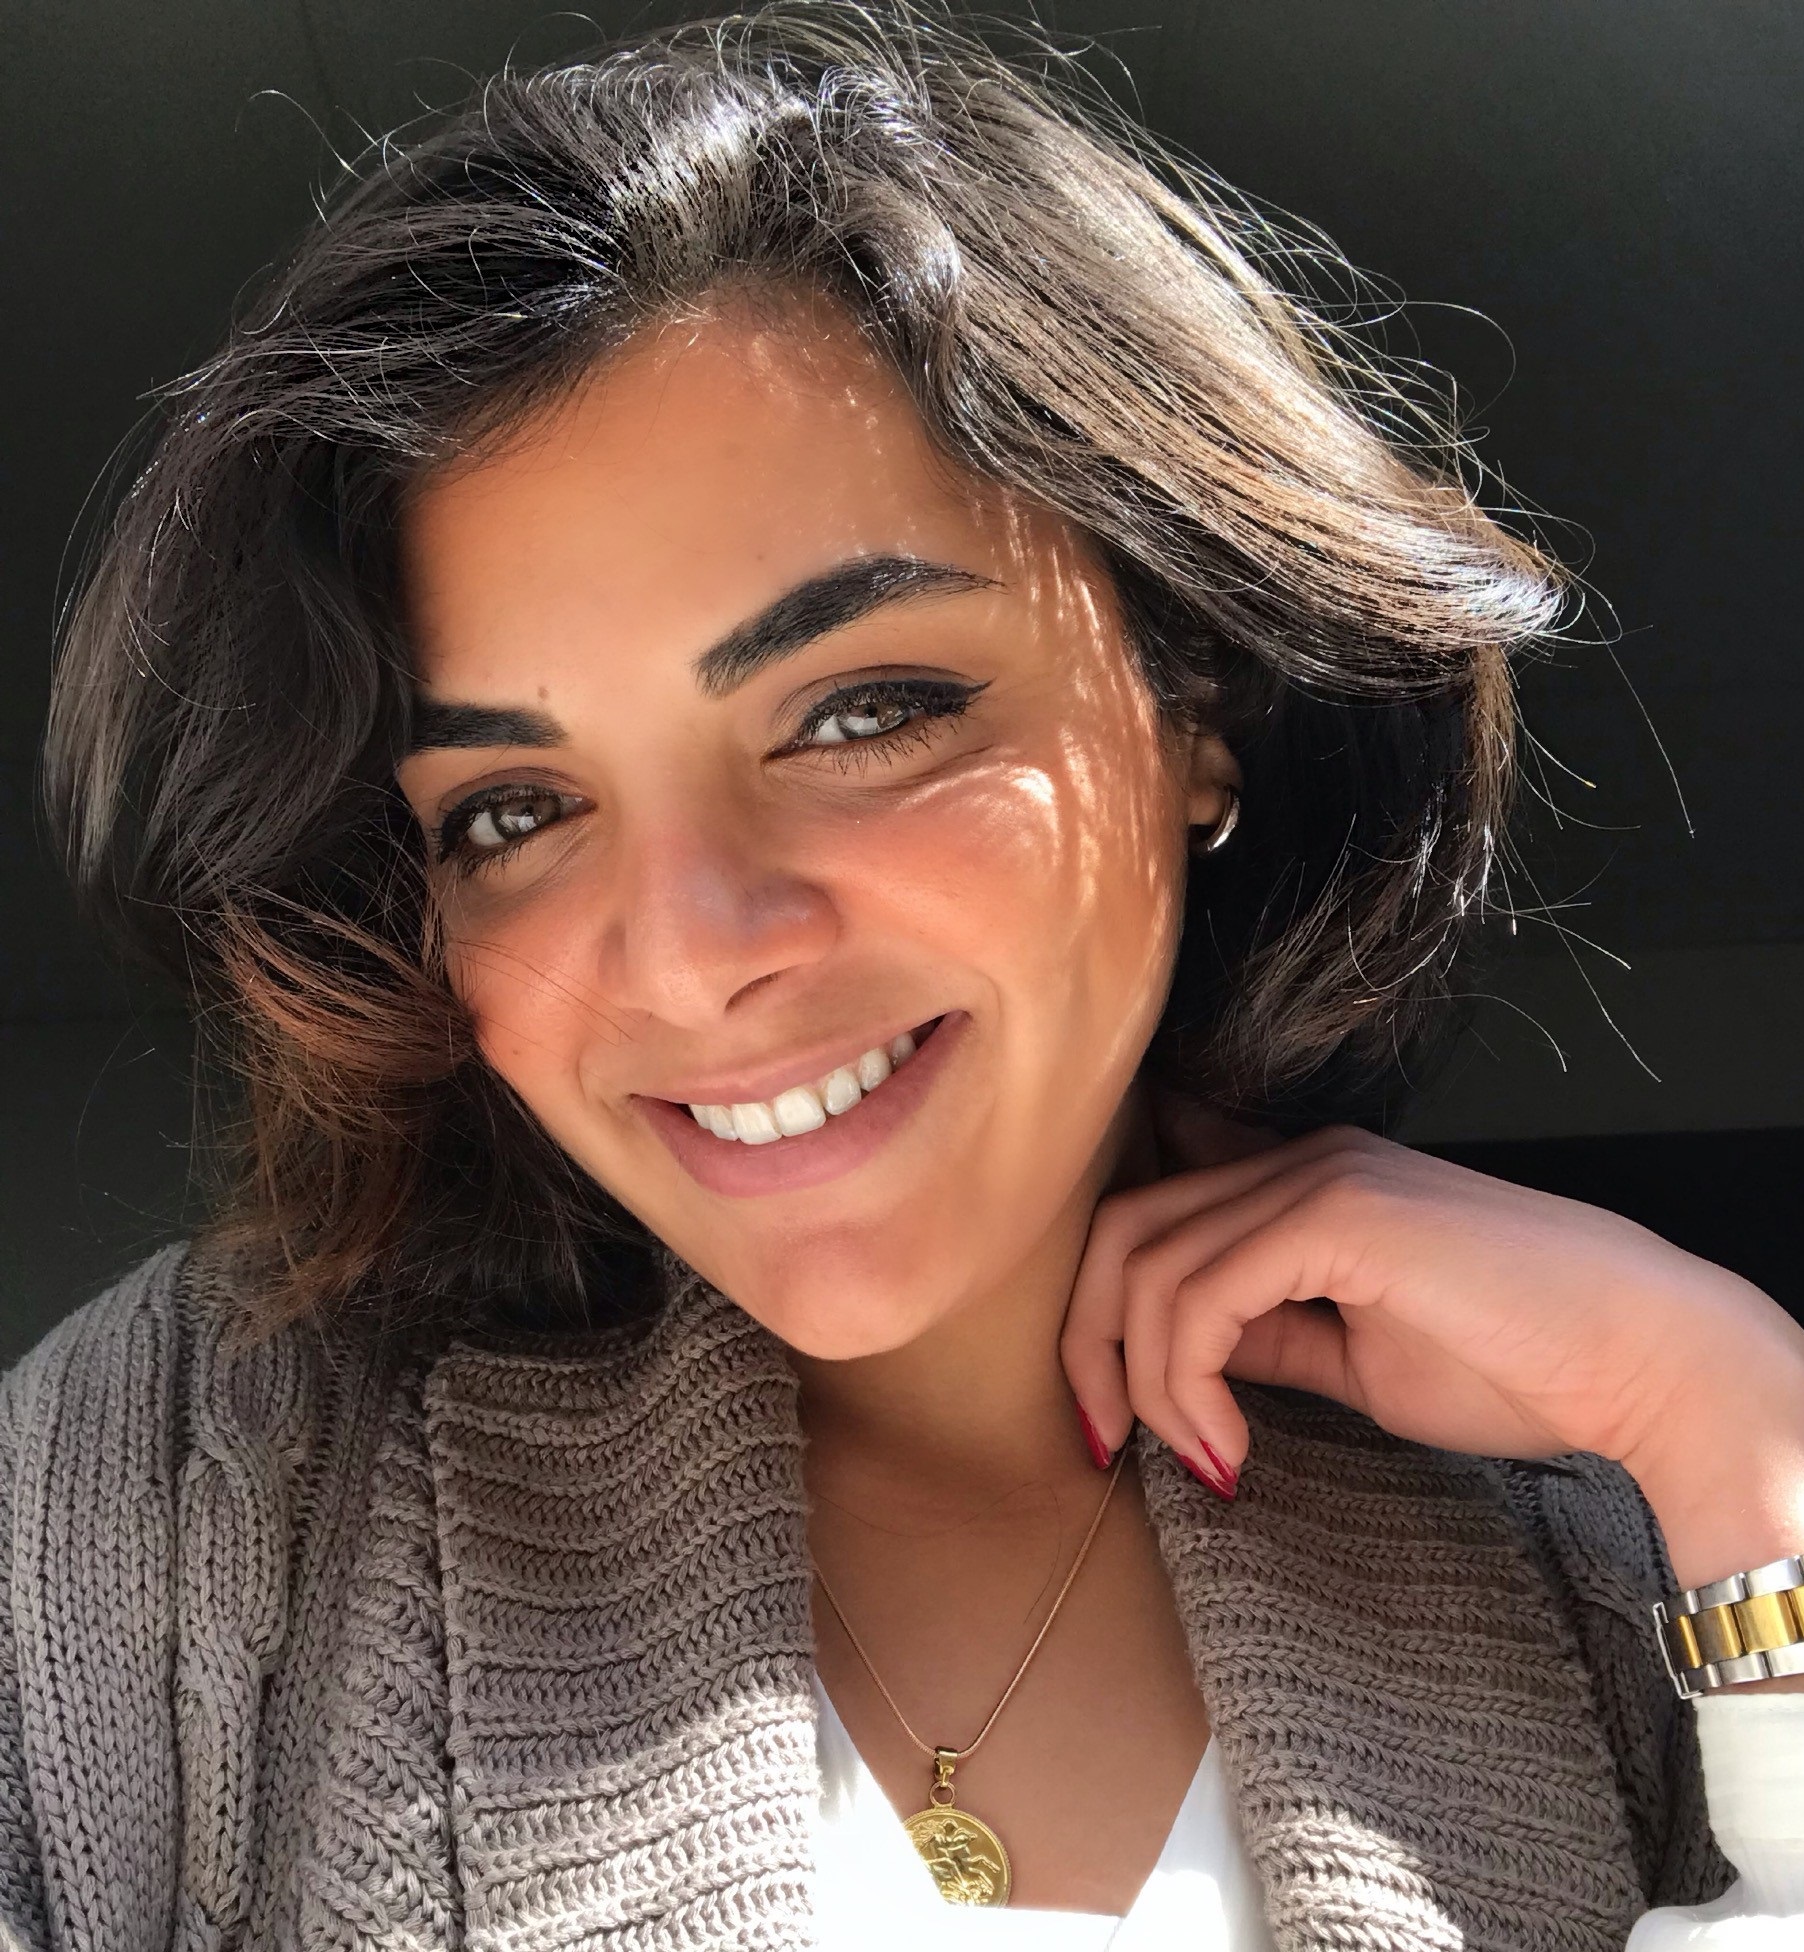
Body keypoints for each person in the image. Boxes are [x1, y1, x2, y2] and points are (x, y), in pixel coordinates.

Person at [9, 3, 1801, 1946]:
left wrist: (1734, 1423)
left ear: (1195, 705)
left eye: (860, 710)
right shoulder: (172, 1484)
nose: (693, 955)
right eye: (514, 811)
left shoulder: (1613, 1549)